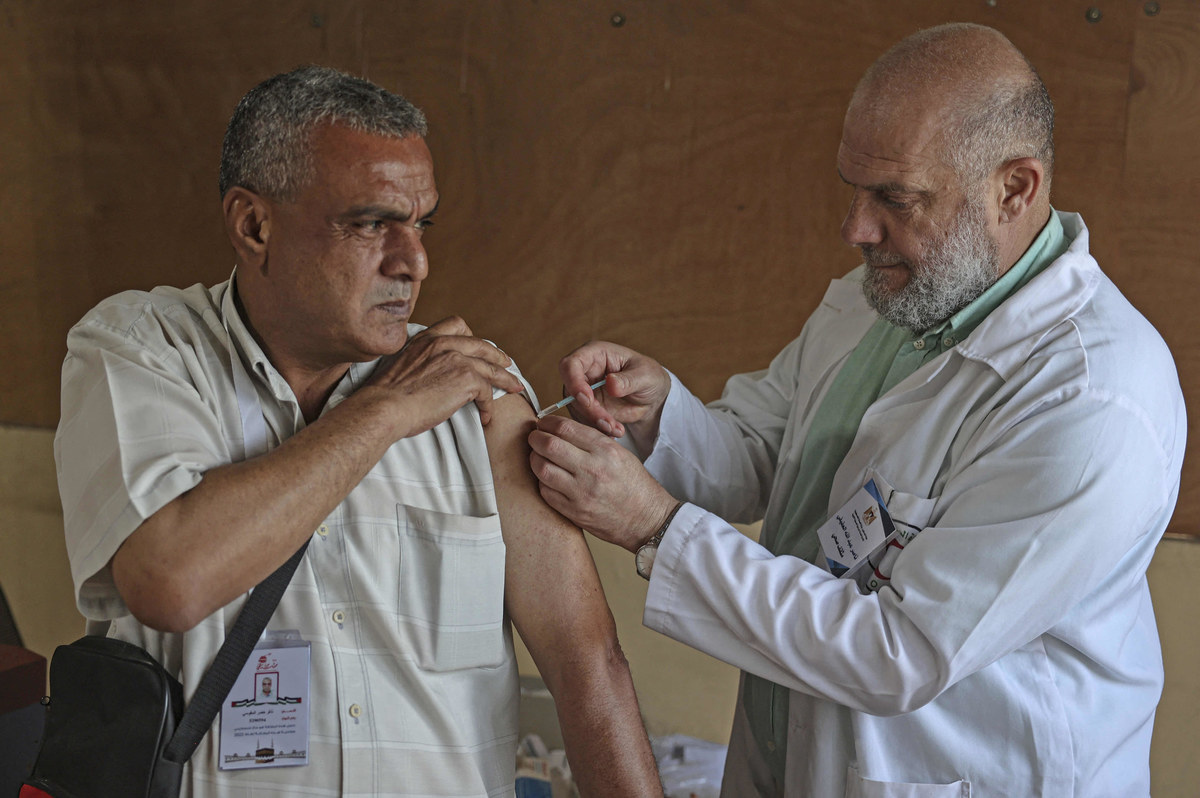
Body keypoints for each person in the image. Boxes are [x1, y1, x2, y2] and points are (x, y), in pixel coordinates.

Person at [528, 23, 1186, 798]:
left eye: (894, 199)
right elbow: (765, 452)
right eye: (853, 189)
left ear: (1015, 188)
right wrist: (659, 415)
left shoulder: (1092, 397)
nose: (856, 230)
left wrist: (654, 528)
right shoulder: (888, 295)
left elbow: (901, 650)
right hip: (796, 751)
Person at [54, 66, 662, 797]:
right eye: (371, 222)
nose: (415, 262)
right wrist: (384, 411)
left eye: (421, 223)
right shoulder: (143, 350)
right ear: (254, 225)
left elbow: (587, 663)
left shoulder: (479, 396)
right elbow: (168, 581)